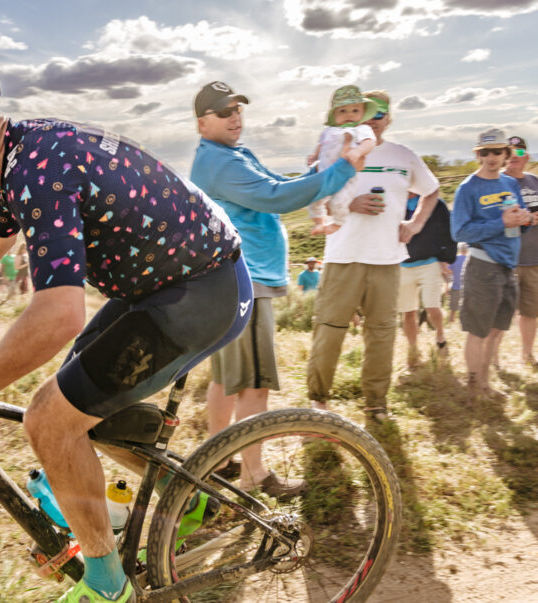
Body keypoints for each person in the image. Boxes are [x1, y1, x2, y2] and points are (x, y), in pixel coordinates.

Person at [0, 40, 251, 603]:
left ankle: (106, 586)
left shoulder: (37, 169)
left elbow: (58, 316)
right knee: (82, 410)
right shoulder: (18, 155)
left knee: (50, 419)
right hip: (163, 285)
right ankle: (188, 501)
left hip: (202, 290)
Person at [189, 79, 363, 491]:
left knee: (226, 379)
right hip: (246, 282)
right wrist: (344, 168)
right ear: (202, 123)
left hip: (234, 279)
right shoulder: (221, 162)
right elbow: (276, 196)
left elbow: (277, 185)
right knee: (254, 383)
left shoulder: (227, 153)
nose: (235, 117)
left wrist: (316, 172)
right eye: (224, 111)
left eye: (237, 109)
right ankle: (254, 476)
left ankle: (220, 459)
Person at [306, 90, 440, 421]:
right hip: (342, 257)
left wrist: (416, 223)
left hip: (387, 259)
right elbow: (311, 196)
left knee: (381, 334)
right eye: (366, 115)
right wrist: (347, 205)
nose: (373, 121)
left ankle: (376, 404)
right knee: (330, 330)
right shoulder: (338, 152)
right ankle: (318, 403)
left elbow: (432, 190)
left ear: (388, 119)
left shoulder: (403, 156)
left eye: (379, 115)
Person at [451, 128, 532, 400]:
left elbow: (516, 221)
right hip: (483, 267)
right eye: (485, 152)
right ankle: (474, 387)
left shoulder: (509, 184)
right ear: (478, 155)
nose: (492, 157)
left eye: (497, 151)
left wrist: (524, 220)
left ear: (506, 154)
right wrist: (501, 223)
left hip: (508, 266)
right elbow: (459, 233)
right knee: (478, 331)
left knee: (497, 330)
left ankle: (485, 385)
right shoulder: (467, 189)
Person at [502, 136, 538, 366]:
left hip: (535, 258)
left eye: (518, 153)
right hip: (509, 258)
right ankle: (493, 359)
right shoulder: (499, 182)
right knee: (502, 311)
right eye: (508, 153)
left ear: (526, 157)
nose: (512, 158)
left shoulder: (535, 181)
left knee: (531, 311)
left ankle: (527, 355)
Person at [306, 85, 377, 235]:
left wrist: (358, 151)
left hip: (345, 176)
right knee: (314, 199)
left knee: (339, 202)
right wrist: (314, 156)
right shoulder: (328, 131)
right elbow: (321, 146)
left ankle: (337, 224)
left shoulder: (361, 129)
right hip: (324, 174)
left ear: (363, 113)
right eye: (342, 110)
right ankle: (319, 222)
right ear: (334, 114)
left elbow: (369, 142)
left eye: (355, 110)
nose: (348, 114)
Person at [398, 191, 456, 366]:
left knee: (432, 306)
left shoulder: (436, 204)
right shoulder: (394, 201)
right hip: (402, 264)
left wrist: (446, 258)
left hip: (430, 262)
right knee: (408, 311)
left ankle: (440, 334)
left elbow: (449, 230)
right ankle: (413, 349)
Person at [447, 243, 467, 323]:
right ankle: (463, 324)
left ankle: (451, 324)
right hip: (467, 288)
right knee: (466, 309)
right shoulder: (470, 259)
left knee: (453, 310)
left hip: (455, 287)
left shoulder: (455, 259)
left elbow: (449, 272)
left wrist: (447, 286)